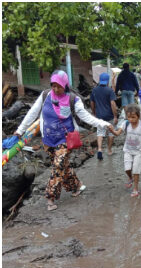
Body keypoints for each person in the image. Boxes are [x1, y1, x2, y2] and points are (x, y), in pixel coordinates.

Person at [9, 71, 115, 211]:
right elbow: (32, 113)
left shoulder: (73, 100)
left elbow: (86, 117)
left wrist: (104, 124)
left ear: (65, 85)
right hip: (47, 140)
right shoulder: (45, 95)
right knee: (63, 166)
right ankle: (76, 186)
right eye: (53, 85)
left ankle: (50, 197)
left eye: (58, 86)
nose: (55, 89)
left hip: (65, 140)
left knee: (58, 167)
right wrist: (19, 131)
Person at [114, 104, 141, 198]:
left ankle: (135, 189)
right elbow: (117, 133)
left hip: (139, 151)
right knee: (127, 168)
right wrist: (111, 130)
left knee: (136, 170)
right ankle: (130, 178)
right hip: (127, 150)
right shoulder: (125, 124)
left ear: (138, 116)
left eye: (133, 117)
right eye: (129, 117)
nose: (131, 119)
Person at [89, 72, 118, 161]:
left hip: (99, 116)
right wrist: (115, 116)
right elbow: (113, 104)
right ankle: (109, 150)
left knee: (100, 133)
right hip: (109, 116)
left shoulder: (94, 90)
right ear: (107, 81)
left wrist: (94, 113)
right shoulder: (110, 91)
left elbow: (92, 103)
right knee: (110, 132)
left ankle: (100, 149)